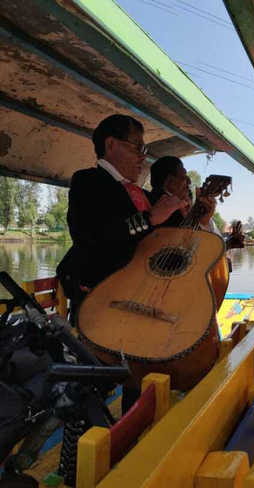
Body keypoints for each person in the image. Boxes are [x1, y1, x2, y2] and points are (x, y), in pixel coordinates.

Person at [59, 114, 186, 413]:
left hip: (141, 300)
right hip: (102, 301)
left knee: (140, 374)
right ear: (111, 144)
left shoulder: (140, 194)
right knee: (97, 386)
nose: (143, 157)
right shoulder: (87, 181)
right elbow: (89, 237)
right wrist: (149, 218)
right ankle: (85, 441)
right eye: (137, 148)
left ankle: (135, 431)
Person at [148, 156, 216, 230]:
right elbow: (187, 238)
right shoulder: (166, 208)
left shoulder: (150, 201)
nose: (189, 181)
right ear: (171, 181)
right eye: (184, 175)